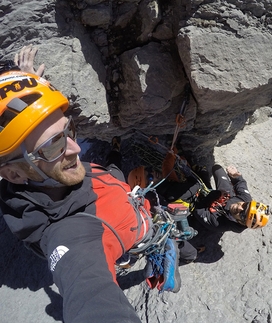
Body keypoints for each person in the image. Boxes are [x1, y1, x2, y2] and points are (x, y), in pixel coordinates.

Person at [0, 46, 180, 323]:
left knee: (115, 171)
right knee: (172, 242)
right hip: (138, 230)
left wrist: (30, 90)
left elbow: (45, 137)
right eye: (53, 146)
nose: (75, 149)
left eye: (68, 130)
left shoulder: (56, 172)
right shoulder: (70, 235)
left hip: (121, 195)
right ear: (13, 175)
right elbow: (91, 298)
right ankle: (157, 250)